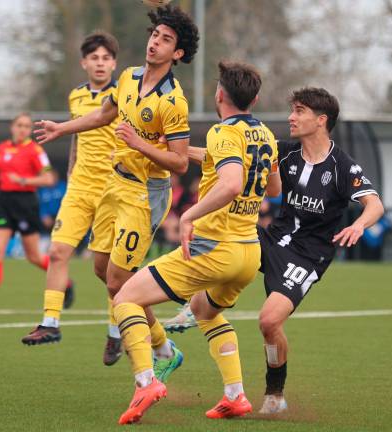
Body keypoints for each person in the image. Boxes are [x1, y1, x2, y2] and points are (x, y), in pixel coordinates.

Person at [160, 87, 384, 415]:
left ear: (321, 121)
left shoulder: (342, 167)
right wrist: (175, 152)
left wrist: (359, 225)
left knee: (268, 322)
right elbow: (219, 156)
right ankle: (200, 305)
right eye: (292, 110)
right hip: (271, 238)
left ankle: (275, 394)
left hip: (308, 256)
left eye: (299, 111)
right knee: (230, 240)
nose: (291, 117)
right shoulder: (283, 152)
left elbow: (374, 204)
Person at [27, 5, 199, 384]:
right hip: (113, 185)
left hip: (145, 195)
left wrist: (138, 143)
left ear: (179, 53)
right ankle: (165, 348)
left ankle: (156, 358)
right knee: (102, 270)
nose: (155, 42)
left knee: (120, 283)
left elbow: (181, 163)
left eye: (166, 40)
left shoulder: (173, 101)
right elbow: (105, 114)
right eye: (155, 35)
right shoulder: (129, 76)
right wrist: (63, 128)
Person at [112, 61, 276, 424]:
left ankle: (145, 382)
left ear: (219, 94)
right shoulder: (265, 134)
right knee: (205, 312)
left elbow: (232, 182)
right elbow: (273, 187)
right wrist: (190, 152)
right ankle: (235, 395)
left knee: (124, 298)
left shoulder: (222, 131)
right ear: (255, 97)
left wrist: (189, 215)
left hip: (214, 247)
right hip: (248, 251)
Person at [20, 31, 119, 355]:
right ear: (84, 63)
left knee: (108, 268)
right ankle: (50, 322)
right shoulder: (76, 95)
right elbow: (79, 136)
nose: (100, 63)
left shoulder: (123, 95)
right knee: (58, 252)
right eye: (94, 58)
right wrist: (71, 170)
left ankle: (115, 329)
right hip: (79, 188)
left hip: (112, 190)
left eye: (106, 58)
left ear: (114, 63)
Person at [0, 113, 62, 315]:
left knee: (34, 256)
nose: (22, 129)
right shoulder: (2, 148)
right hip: (4, 202)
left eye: (27, 126)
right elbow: (4, 174)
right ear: (12, 127)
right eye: (19, 125)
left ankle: (66, 282)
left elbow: (48, 179)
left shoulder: (36, 150)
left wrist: (24, 181)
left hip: (26, 204)